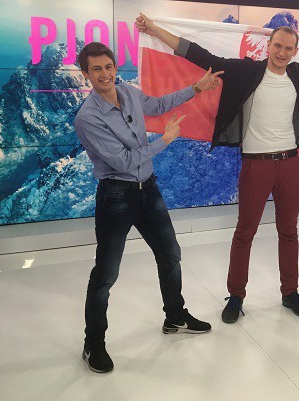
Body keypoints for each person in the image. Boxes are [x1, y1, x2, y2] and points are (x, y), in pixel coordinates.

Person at [136, 14, 299, 323]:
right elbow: (198, 54)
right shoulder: (247, 71)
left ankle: (290, 293)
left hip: (290, 165)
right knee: (244, 233)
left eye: (288, 48)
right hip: (256, 164)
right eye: (278, 46)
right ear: (268, 46)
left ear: (295, 51)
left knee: (289, 232)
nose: (282, 52)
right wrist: (155, 30)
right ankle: (236, 295)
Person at [74, 42, 223, 373]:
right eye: (96, 69)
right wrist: (164, 141)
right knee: (106, 274)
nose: (104, 74)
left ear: (115, 67)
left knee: (170, 255)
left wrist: (197, 88)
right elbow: (124, 161)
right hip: (116, 197)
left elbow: (158, 104)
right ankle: (93, 344)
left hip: (148, 190)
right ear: (86, 74)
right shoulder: (87, 118)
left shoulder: (128, 92)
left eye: (108, 66)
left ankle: (175, 317)